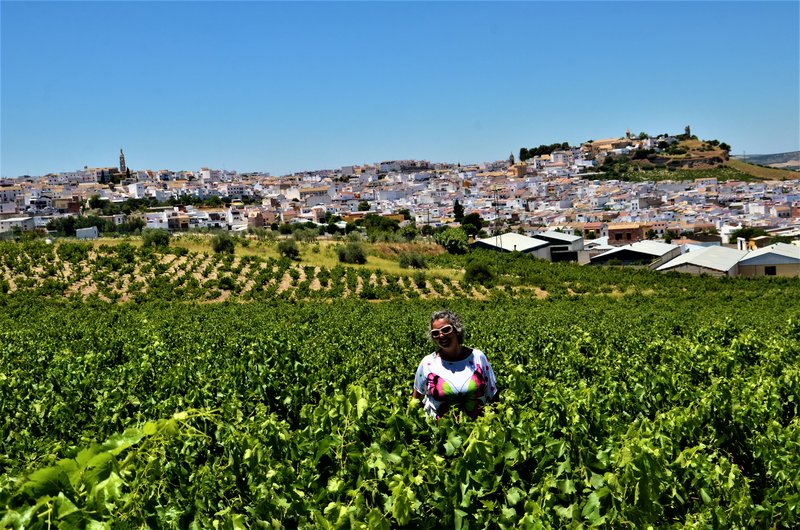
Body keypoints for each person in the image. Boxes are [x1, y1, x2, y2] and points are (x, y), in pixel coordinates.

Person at [412, 310, 498, 419]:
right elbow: (415, 401)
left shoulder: (478, 357)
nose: (441, 335)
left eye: (446, 329)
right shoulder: (427, 363)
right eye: (435, 333)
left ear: (457, 330)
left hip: (476, 430)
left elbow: (493, 395)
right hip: (439, 431)